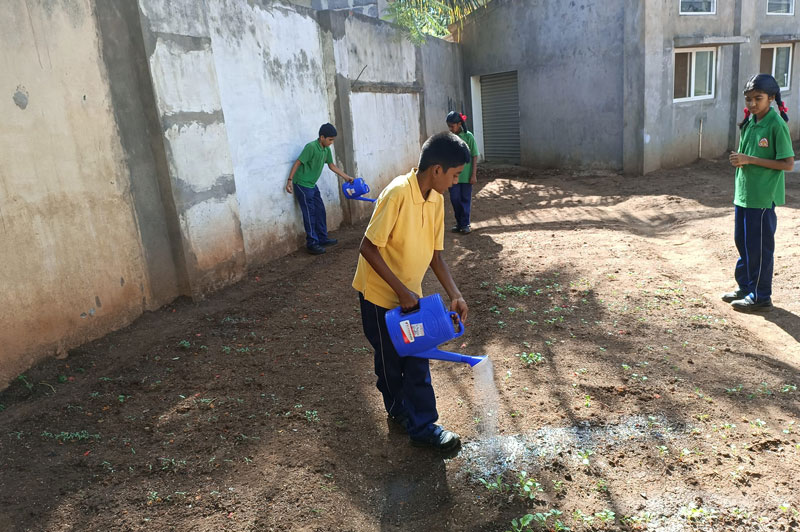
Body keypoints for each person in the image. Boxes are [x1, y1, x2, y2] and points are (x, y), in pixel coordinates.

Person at [353, 132, 471, 451]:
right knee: (391, 361)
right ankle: (397, 408)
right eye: (454, 175)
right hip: (380, 298)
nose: (455, 182)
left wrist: (455, 294)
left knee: (417, 357)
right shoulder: (397, 194)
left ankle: (423, 426)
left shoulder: (435, 199)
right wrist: (401, 291)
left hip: (410, 299)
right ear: (436, 170)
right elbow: (367, 247)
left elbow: (435, 255)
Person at [724, 74, 794, 312]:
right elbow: (747, 158)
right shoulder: (751, 122)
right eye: (748, 99)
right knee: (742, 242)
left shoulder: (776, 125)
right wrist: (740, 161)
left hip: (762, 198)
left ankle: (761, 294)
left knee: (759, 248)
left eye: (758, 98)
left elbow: (787, 163)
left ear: (771, 98)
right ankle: (745, 287)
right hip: (744, 194)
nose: (752, 104)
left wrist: (749, 160)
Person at [285, 123, 354, 255]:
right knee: (309, 214)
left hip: (312, 185)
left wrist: (346, 177)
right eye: (330, 139)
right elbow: (298, 162)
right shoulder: (311, 147)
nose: (331, 142)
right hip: (302, 184)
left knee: (320, 211)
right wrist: (289, 181)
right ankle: (312, 243)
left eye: (333, 140)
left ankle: (322, 238)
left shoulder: (326, 150)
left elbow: (332, 166)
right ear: (322, 137)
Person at [445, 111, 479, 234]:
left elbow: (475, 155)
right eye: (448, 126)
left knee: (465, 199)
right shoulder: (450, 138)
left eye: (452, 126)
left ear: (459, 124)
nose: (450, 129)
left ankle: (465, 224)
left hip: (466, 176)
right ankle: (459, 222)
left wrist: (473, 174)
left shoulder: (469, 136)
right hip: (453, 176)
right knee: (454, 199)